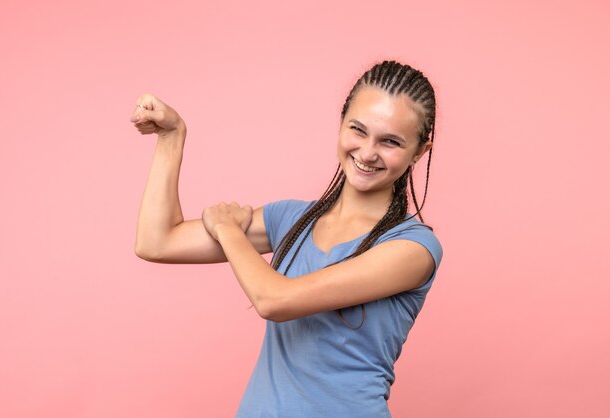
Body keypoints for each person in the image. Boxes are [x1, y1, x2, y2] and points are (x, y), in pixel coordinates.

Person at [131, 60, 443, 418]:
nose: (368, 152)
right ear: (341, 124)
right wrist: (172, 137)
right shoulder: (291, 220)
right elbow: (156, 242)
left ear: (419, 152)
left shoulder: (413, 248)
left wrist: (229, 230)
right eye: (358, 129)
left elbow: (274, 301)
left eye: (390, 141)